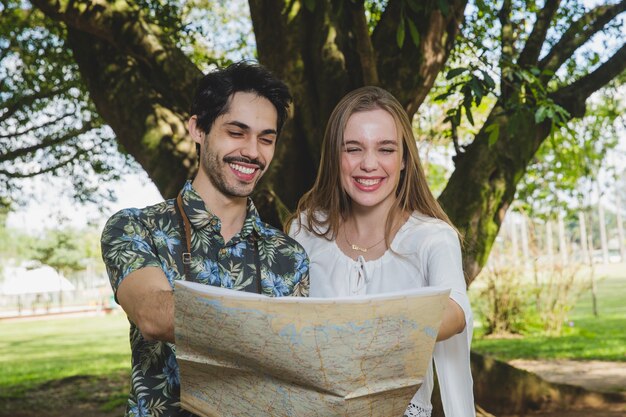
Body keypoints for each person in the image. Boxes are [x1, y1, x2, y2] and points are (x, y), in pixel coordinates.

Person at [101, 61, 310, 417]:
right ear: (198, 129)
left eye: (266, 138)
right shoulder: (135, 228)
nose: (252, 152)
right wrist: (275, 327)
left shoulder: (289, 255)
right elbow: (153, 314)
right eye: (236, 132)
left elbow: (297, 369)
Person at [288, 86, 475, 417]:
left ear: (404, 160)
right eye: (353, 148)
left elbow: (455, 312)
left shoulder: (432, 238)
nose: (369, 164)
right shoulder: (305, 230)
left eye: (386, 149)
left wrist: (360, 335)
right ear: (335, 156)